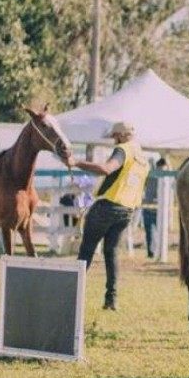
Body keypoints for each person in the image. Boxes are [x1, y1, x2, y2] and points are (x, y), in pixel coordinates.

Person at [71, 121, 150, 310]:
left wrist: (77, 163)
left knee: (86, 250)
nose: (114, 140)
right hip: (127, 211)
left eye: (115, 136)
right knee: (111, 252)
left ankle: (72, 292)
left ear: (122, 136)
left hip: (107, 206)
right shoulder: (143, 158)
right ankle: (111, 300)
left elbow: (107, 169)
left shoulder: (123, 150)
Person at [141, 158, 168, 258]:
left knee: (152, 232)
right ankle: (153, 252)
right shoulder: (161, 176)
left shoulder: (150, 174)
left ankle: (153, 252)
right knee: (153, 232)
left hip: (153, 207)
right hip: (153, 207)